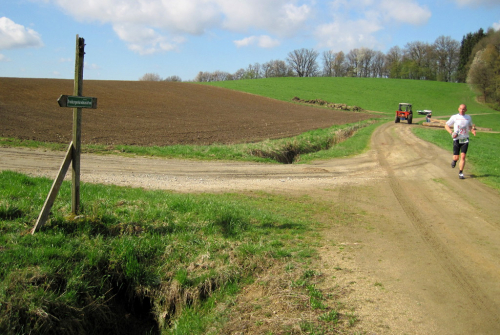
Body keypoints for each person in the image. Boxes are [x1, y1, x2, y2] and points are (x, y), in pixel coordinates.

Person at [444, 104, 476, 179]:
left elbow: (470, 126)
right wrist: (451, 133)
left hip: (465, 139)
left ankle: (461, 173)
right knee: (456, 157)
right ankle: (454, 161)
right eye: (461, 109)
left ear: (466, 110)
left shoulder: (468, 117)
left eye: (463, 109)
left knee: (463, 156)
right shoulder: (454, 117)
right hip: (457, 139)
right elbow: (446, 125)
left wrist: (472, 130)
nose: (462, 110)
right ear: (458, 109)